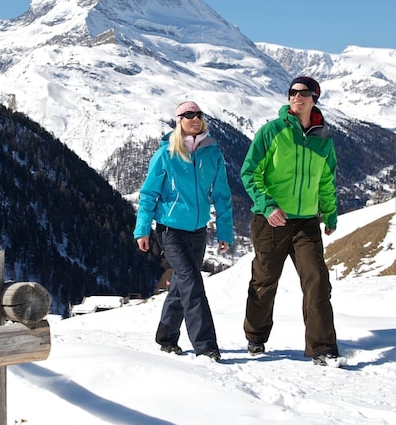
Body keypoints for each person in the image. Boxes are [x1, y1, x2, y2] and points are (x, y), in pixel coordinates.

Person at [240, 76, 342, 366]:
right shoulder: (272, 131)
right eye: (293, 92)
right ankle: (256, 335)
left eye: (304, 93)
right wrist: (267, 205)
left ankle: (322, 347)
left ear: (314, 99)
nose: (297, 97)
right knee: (265, 281)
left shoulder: (324, 139)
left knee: (317, 281)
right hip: (271, 220)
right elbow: (250, 172)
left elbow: (326, 180)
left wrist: (329, 213)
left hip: (307, 222)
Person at [134, 100, 234, 362]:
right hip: (170, 230)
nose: (195, 118)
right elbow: (149, 194)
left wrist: (225, 231)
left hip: (198, 230)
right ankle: (206, 346)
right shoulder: (166, 153)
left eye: (198, 114)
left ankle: (166, 337)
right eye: (188, 115)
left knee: (181, 284)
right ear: (178, 120)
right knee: (192, 283)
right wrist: (142, 230)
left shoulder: (212, 152)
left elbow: (222, 195)